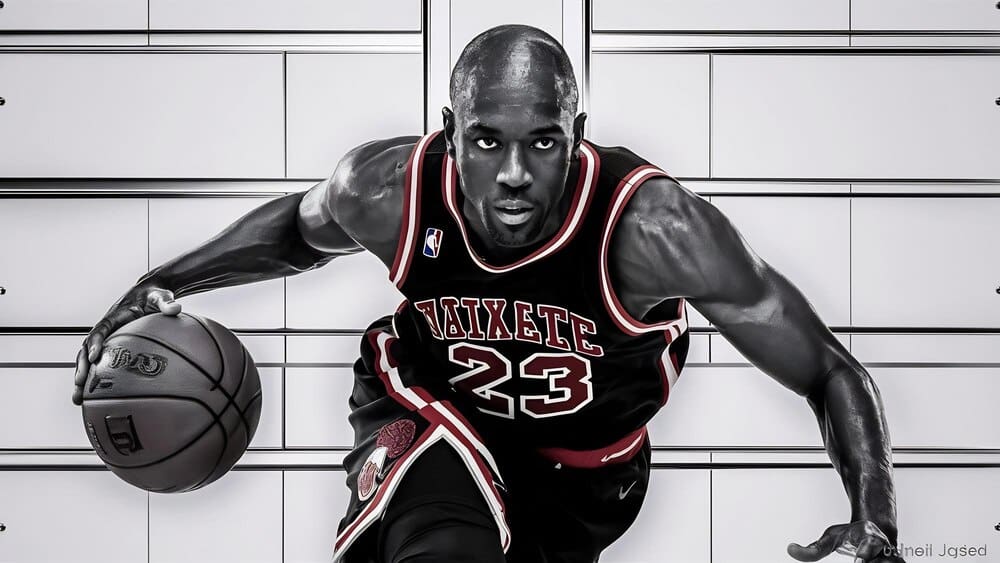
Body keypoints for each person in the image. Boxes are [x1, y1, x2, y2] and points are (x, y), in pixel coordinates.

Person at [72, 24, 905, 563]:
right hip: (427, 407)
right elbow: (295, 231)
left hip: (582, 484)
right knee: (440, 539)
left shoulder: (652, 229)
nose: (513, 173)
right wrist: (164, 280)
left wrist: (876, 514)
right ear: (450, 129)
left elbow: (827, 369)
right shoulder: (389, 186)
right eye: (487, 141)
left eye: (543, 141)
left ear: (577, 134)